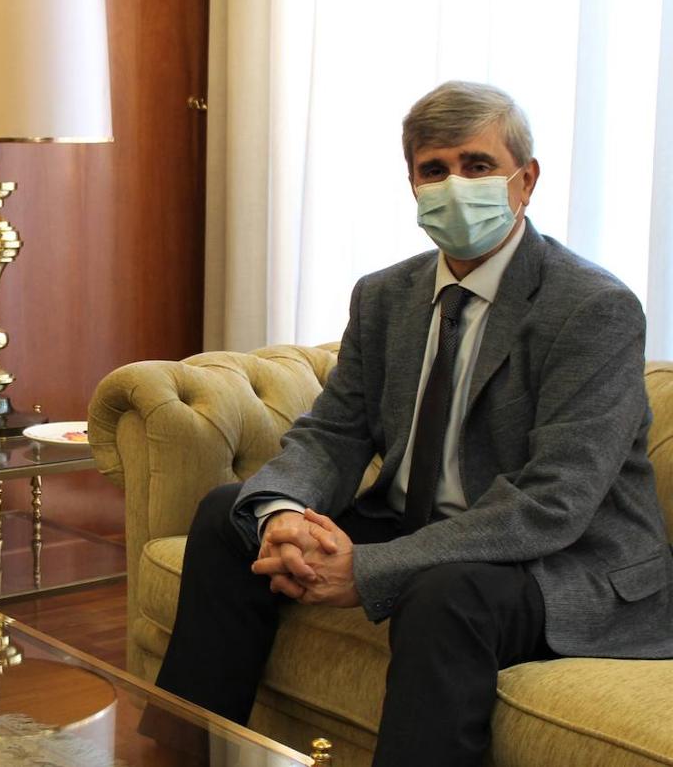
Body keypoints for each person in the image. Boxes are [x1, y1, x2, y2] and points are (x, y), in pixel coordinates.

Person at [155, 81, 673, 765]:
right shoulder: (385, 296)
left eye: (478, 165)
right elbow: (334, 434)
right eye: (435, 169)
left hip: (558, 561)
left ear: (526, 181)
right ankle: (182, 755)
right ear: (413, 186)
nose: (456, 184)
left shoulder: (592, 308)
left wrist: (368, 569)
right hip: (424, 524)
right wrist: (284, 511)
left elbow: (555, 503)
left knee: (445, 593)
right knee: (233, 514)